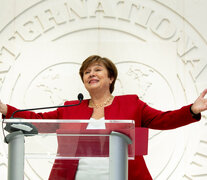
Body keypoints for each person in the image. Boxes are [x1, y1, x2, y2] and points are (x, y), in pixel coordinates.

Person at [0, 55, 207, 180]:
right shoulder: (70, 109)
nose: (91, 74)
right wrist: (4, 108)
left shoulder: (131, 103)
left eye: (97, 70)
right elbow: (38, 120)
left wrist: (192, 109)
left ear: (111, 77)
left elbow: (163, 119)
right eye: (87, 72)